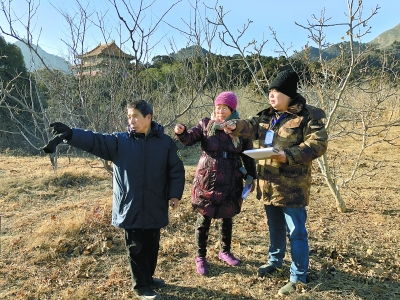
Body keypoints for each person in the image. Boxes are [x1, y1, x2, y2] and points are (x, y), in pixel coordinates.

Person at [42, 100, 185, 300]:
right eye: (129, 117)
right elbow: (94, 141)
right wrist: (72, 134)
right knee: (136, 248)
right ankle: (142, 287)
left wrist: (175, 195)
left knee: (152, 246)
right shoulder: (120, 141)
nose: (131, 120)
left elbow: (176, 170)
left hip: (155, 204)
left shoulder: (165, 143)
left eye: (135, 116)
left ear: (148, 118)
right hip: (130, 205)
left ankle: (149, 278)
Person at [222, 70, 328, 296]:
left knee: (296, 231)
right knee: (275, 227)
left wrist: (287, 155)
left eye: (276, 91)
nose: (271, 95)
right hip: (268, 184)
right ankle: (275, 261)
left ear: (289, 93)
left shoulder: (309, 115)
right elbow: (249, 125)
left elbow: (318, 144)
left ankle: (298, 276)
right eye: (269, 91)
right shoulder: (267, 116)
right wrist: (234, 125)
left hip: (292, 186)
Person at [174, 91, 256, 276]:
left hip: (231, 179)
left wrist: (252, 176)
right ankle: (200, 256)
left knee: (227, 217)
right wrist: (181, 133)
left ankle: (224, 251)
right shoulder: (205, 124)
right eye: (217, 107)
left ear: (232, 110)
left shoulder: (240, 129)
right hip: (207, 179)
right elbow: (189, 139)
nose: (220, 111)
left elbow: (248, 155)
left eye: (224, 108)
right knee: (204, 218)